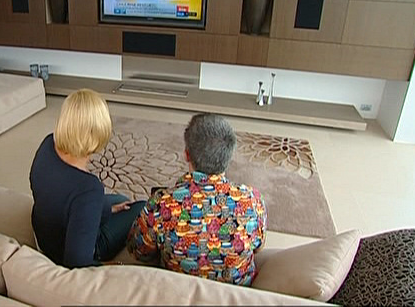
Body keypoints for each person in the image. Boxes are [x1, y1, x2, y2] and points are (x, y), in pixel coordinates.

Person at [127, 113, 267, 286]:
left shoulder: (161, 204)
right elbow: (259, 246)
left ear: (187, 155)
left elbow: (138, 251)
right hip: (235, 292)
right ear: (229, 157)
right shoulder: (252, 201)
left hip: (178, 289)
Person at [30, 89, 145, 268]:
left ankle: (107, 209)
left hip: (46, 235)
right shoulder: (88, 188)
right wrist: (111, 266)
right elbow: (77, 262)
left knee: (120, 200)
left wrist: (106, 209)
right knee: (142, 208)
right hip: (69, 249)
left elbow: (63, 198)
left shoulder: (47, 144)